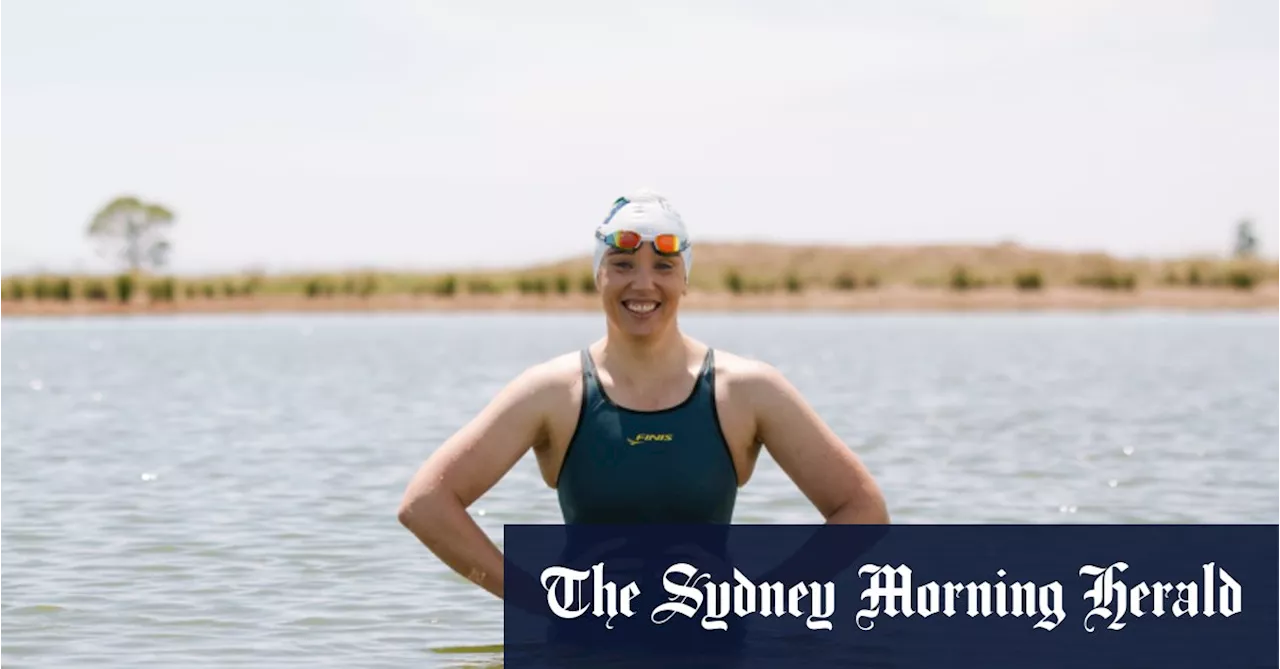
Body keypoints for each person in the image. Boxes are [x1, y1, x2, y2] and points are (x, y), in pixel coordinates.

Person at [396, 188, 889, 601]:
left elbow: (862, 510)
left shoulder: (746, 390)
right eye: (623, 263)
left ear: (685, 280)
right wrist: (538, 603)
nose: (644, 283)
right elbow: (425, 503)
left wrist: (765, 602)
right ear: (599, 276)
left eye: (664, 266)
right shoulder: (554, 392)